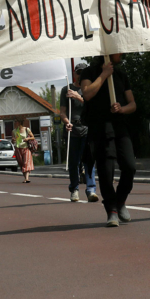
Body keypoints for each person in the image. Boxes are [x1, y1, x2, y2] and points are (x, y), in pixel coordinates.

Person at [80, 54, 137, 228]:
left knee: (130, 166)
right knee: (106, 170)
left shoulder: (121, 75)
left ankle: (120, 201)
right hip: (100, 128)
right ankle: (111, 209)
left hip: (120, 127)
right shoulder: (89, 72)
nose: (121, 53)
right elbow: (87, 94)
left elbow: (133, 104)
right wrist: (103, 75)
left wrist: (122, 109)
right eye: (117, 50)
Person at [62, 62, 98, 202]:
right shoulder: (67, 89)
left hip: (88, 129)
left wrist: (78, 97)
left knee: (89, 161)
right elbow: (63, 113)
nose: (81, 75)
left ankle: (91, 190)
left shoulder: (89, 90)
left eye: (83, 72)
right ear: (74, 74)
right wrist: (67, 122)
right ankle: (74, 189)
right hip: (73, 130)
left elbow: (93, 108)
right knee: (73, 162)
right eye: (78, 72)